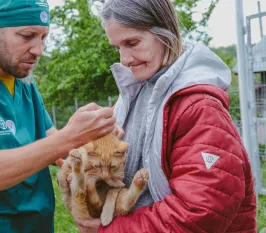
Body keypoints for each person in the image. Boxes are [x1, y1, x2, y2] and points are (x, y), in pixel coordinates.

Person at [0, 0, 118, 232]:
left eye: (43, 37)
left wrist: (96, 140)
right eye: (27, 36)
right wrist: (70, 137)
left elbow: (55, 148)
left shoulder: (24, 84)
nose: (39, 50)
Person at [72, 0, 257, 232]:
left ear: (164, 33)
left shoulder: (199, 107)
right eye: (118, 47)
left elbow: (201, 212)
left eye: (132, 43)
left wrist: (111, 230)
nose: (125, 59)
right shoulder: (136, 92)